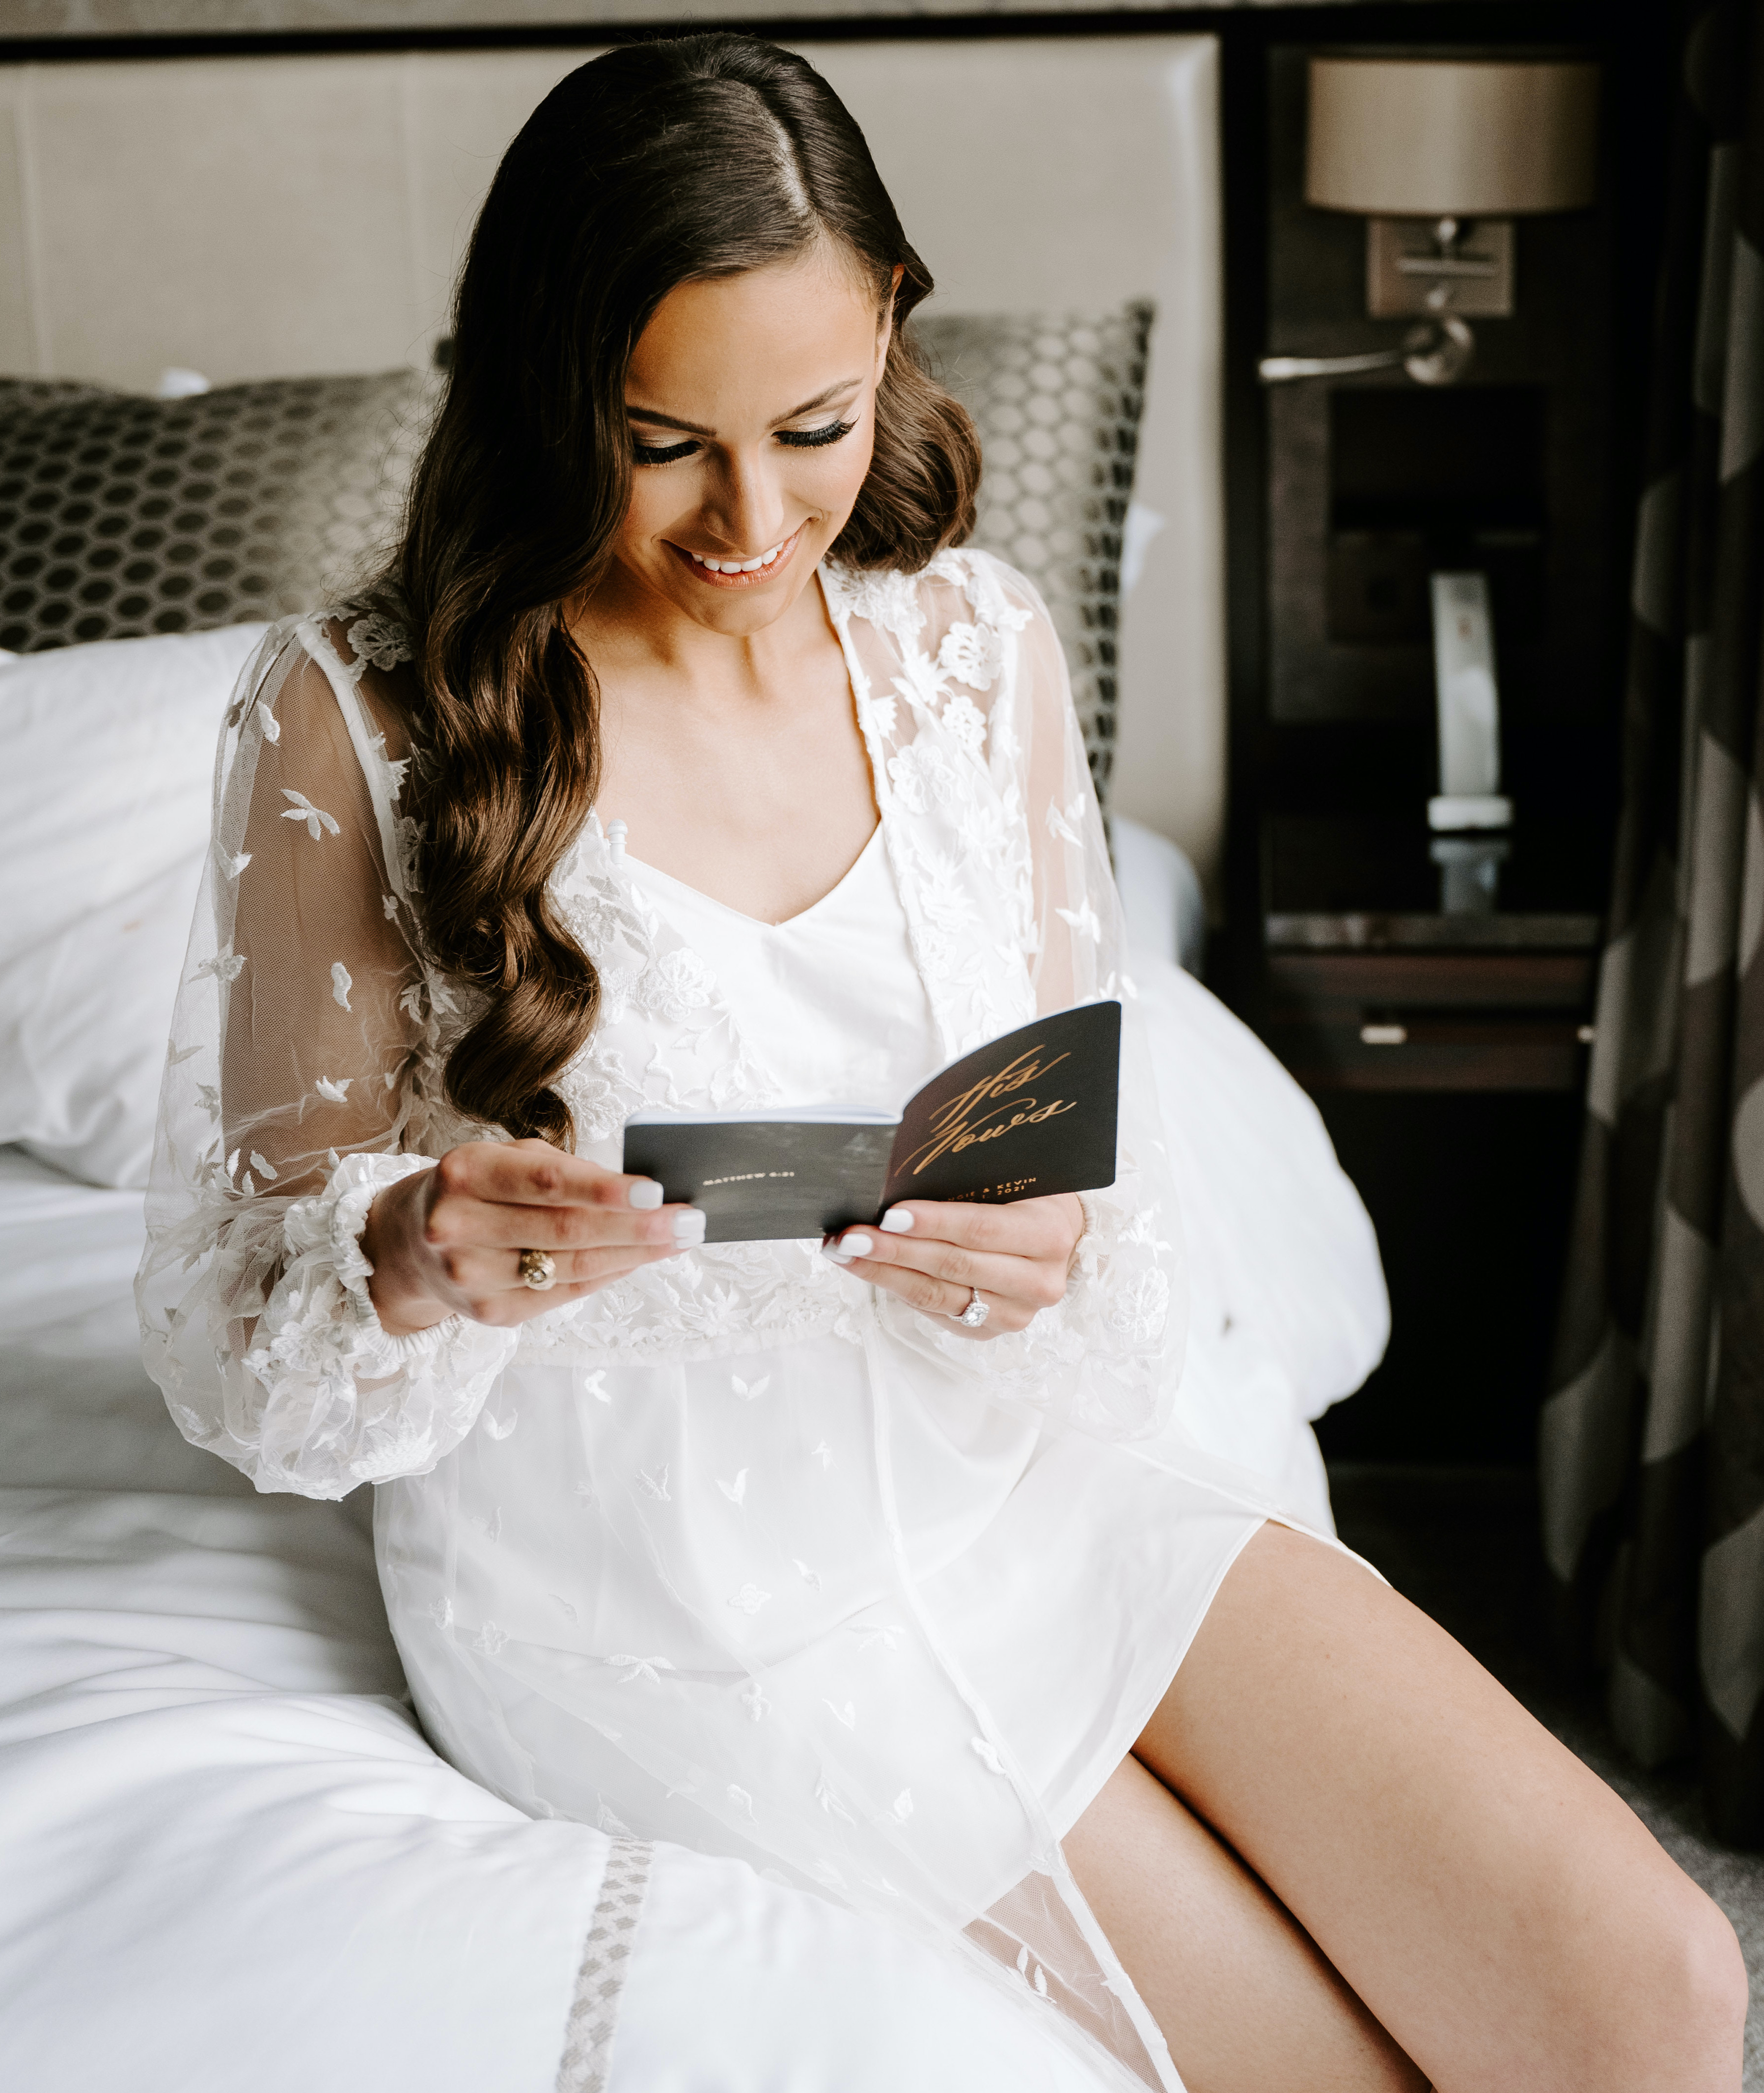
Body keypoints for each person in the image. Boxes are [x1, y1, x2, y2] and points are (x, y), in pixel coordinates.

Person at [138, 34, 1745, 2093]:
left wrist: (1043, 1239)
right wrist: (419, 1256)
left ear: (890, 323)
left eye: (810, 426)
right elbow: (246, 1330)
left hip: (1029, 1474)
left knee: (1654, 1986)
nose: (748, 517)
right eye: (659, 441)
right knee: (1336, 2070)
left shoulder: (972, 643)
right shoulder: (348, 718)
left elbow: (1077, 1144)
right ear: (545, 393)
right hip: (670, 1590)